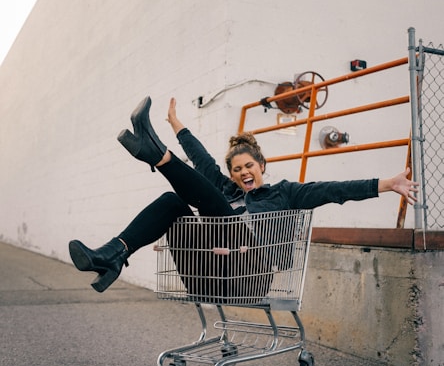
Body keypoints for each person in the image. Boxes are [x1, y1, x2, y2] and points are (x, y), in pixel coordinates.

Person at [68, 95, 418, 293]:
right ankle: (112, 256)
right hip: (205, 270)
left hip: (248, 276)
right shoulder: (224, 189)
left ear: (260, 164)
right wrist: (177, 124)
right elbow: (203, 160)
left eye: (248, 166)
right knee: (174, 201)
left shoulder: (284, 194)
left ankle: (155, 155)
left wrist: (387, 184)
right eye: (236, 169)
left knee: (215, 207)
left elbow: (333, 190)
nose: (242, 173)